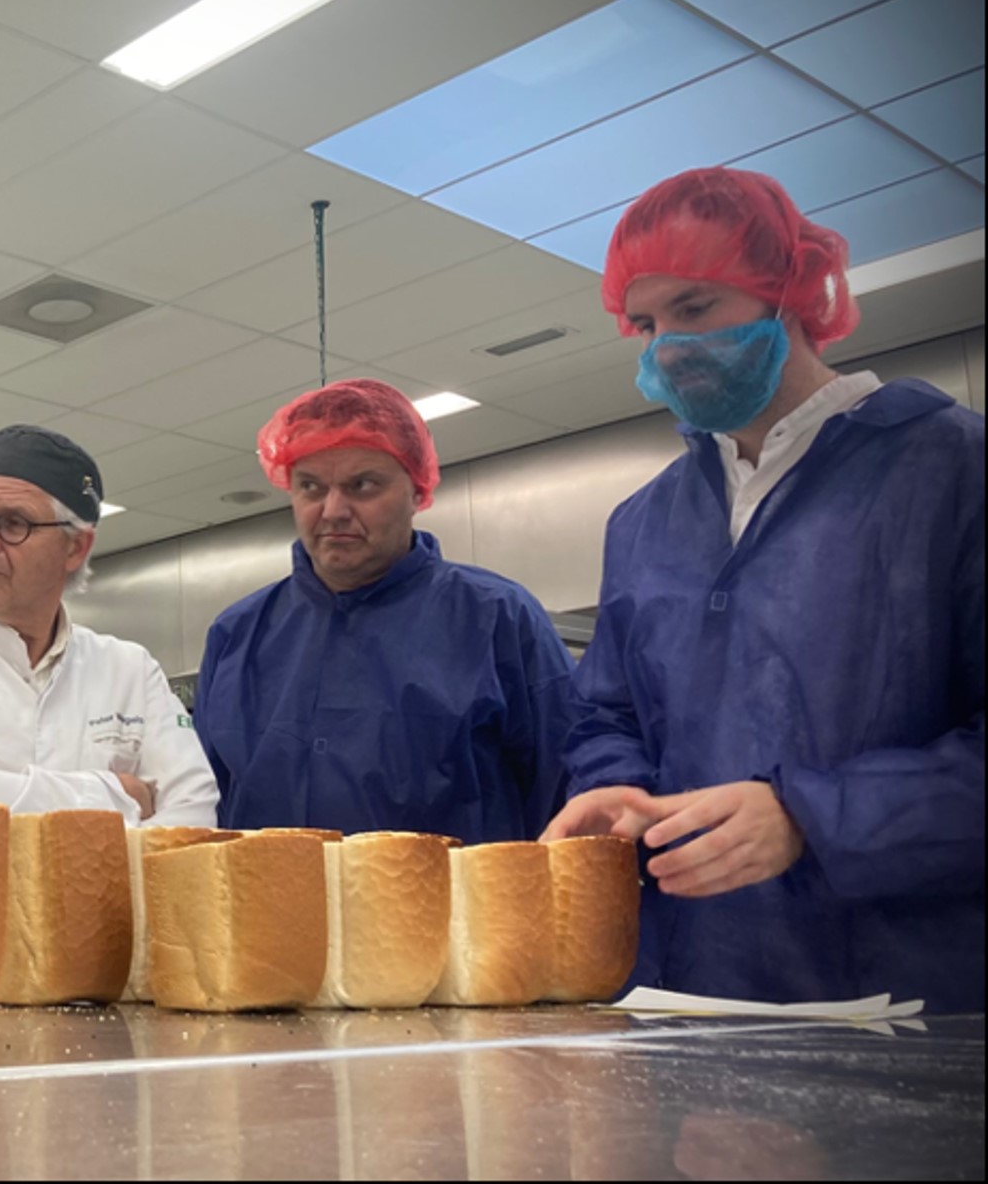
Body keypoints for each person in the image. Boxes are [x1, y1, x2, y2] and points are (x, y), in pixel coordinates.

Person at [543, 167, 984, 1013]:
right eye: (645, 322)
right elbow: (607, 713)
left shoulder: (952, 470)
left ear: (790, 293)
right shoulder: (643, 522)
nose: (668, 344)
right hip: (690, 988)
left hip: (905, 996)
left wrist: (812, 815)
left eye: (697, 308)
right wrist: (613, 784)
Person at [196, 379, 577, 843]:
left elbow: (567, 799)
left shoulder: (498, 618)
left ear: (417, 491)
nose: (333, 510)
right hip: (273, 911)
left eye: (363, 485)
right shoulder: (238, 634)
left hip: (453, 912)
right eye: (311, 487)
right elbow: (203, 804)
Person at [0, 425, 218, 825]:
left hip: (106, 892)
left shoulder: (130, 671)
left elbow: (194, 816)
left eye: (14, 524)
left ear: (76, 548)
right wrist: (122, 795)